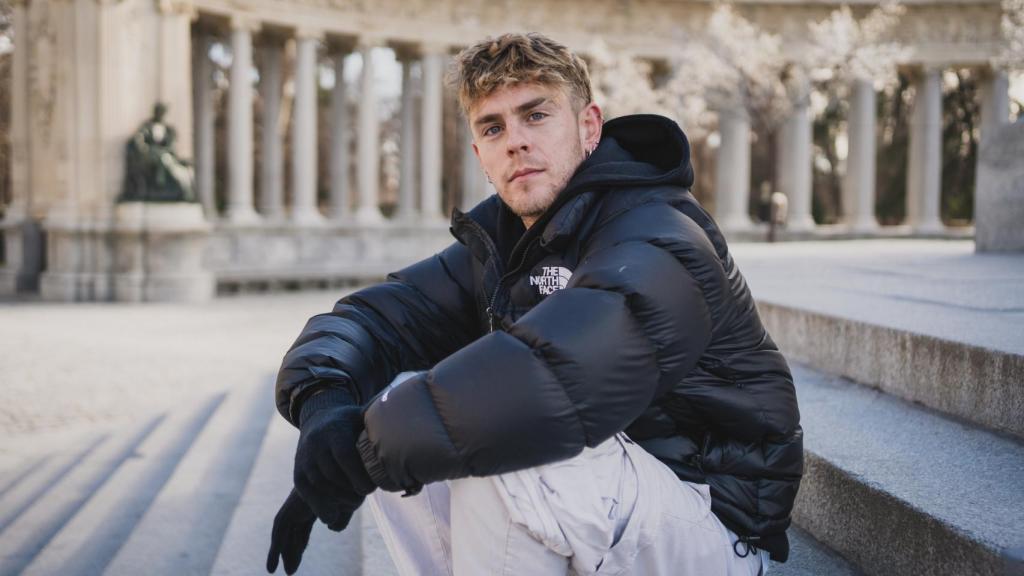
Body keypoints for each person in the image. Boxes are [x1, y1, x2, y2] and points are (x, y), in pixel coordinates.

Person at [266, 33, 802, 576]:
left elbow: (552, 381)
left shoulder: (658, 233)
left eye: (536, 115)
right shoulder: (502, 245)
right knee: (396, 400)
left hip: (712, 526)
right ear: (480, 155)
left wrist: (358, 458)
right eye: (493, 128)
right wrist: (323, 407)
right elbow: (376, 319)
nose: (515, 142)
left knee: (499, 434)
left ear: (589, 126)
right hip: (604, 508)